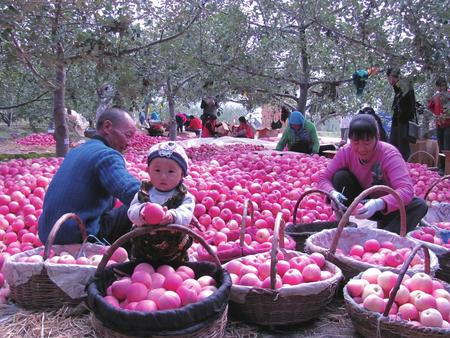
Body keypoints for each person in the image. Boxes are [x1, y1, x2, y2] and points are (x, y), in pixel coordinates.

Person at [38, 107, 141, 245]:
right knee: (136, 208)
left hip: (49, 236)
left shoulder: (77, 151)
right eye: (127, 135)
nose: (129, 143)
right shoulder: (107, 155)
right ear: (107, 127)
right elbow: (128, 189)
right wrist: (164, 200)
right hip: (80, 236)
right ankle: (136, 261)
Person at [318, 114, 427, 234]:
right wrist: (332, 193)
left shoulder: (389, 154)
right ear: (350, 139)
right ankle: (342, 229)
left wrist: (378, 204)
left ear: (377, 137)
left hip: (388, 207)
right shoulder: (346, 152)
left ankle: (387, 238)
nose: (361, 148)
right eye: (356, 142)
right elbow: (324, 178)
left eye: (367, 142)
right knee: (340, 176)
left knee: (419, 205)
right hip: (360, 202)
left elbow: (406, 190)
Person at [127, 141, 195, 263]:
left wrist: (173, 215)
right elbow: (131, 211)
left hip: (174, 252)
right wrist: (141, 211)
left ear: (182, 175)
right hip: (143, 249)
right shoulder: (143, 192)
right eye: (157, 170)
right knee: (139, 268)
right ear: (148, 171)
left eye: (171, 172)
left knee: (177, 269)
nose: (163, 176)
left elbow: (186, 213)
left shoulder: (184, 196)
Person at [386, 67, 417, 161]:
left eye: (389, 77)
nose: (389, 80)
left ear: (392, 76)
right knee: (393, 146)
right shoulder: (398, 88)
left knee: (402, 148)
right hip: (397, 121)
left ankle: (404, 168)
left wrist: (403, 118)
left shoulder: (405, 87)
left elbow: (410, 106)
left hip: (403, 122)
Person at [428, 77, 450, 152]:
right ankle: (441, 163)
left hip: (448, 124)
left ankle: (447, 163)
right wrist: (436, 115)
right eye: (439, 86)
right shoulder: (435, 96)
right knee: (440, 145)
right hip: (439, 124)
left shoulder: (449, 94)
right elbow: (430, 107)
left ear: (445, 86)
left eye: (442, 86)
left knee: (447, 146)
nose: (440, 88)